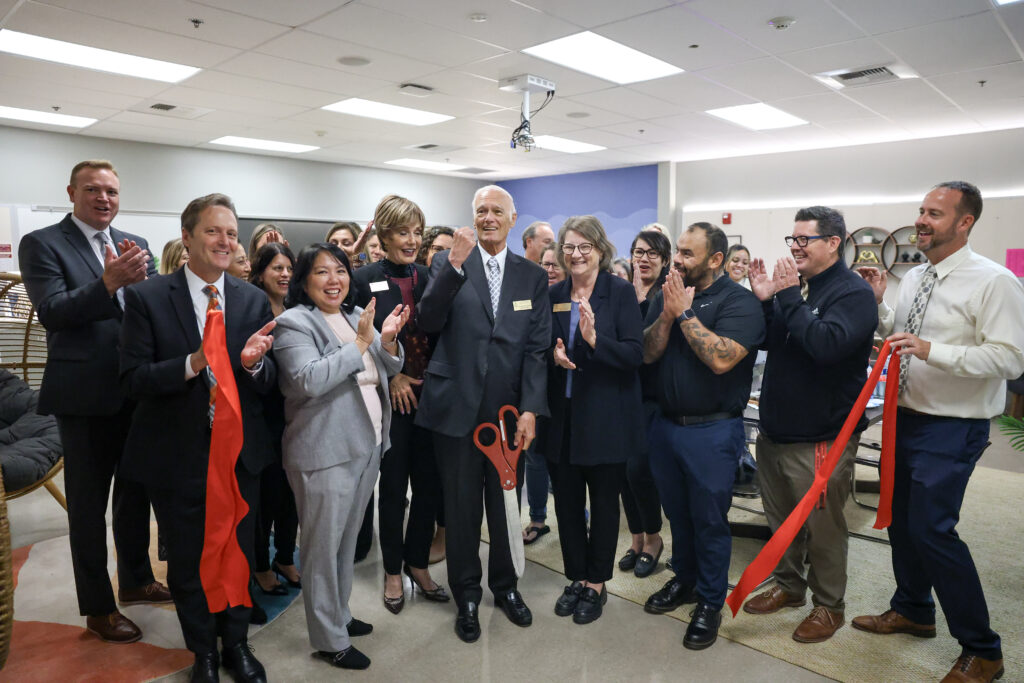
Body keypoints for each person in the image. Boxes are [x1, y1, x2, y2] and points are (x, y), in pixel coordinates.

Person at [854, 182, 1024, 683]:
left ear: (965, 222)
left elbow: (1012, 357)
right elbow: (900, 340)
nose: (922, 220)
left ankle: (983, 649)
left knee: (932, 529)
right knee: (902, 523)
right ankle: (913, 609)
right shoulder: (916, 277)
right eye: (921, 211)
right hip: (905, 418)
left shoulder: (994, 281)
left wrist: (934, 351)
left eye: (934, 213)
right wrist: (881, 306)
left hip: (953, 427)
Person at [120, 193, 278, 682]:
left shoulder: (250, 298)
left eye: (231, 233)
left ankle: (236, 644)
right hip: (177, 456)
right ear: (187, 236)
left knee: (239, 552)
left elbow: (266, 383)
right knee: (189, 558)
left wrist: (252, 366)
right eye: (213, 231)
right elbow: (132, 379)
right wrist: (193, 364)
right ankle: (203, 652)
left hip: (238, 455)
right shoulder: (148, 297)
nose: (225, 241)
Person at [18, 159, 169, 645]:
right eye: (93, 190)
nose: (104, 198)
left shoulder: (137, 245)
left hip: (135, 388)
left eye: (111, 191)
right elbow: (54, 313)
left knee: (135, 493)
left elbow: (148, 314)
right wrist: (108, 283)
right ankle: (99, 608)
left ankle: (137, 581)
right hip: (83, 397)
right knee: (87, 507)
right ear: (72, 192)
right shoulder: (43, 243)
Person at [415, 185, 550, 643]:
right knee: (462, 505)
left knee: (506, 506)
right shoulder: (447, 263)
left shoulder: (530, 276)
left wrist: (531, 409)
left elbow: (536, 350)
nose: (488, 218)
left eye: (497, 211)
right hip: (456, 409)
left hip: (509, 417)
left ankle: (506, 587)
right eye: (480, 211)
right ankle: (467, 595)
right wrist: (452, 265)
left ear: (513, 220)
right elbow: (428, 320)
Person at [741, 207, 877, 643]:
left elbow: (824, 345)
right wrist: (766, 301)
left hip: (821, 437)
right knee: (780, 520)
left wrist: (785, 299)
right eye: (793, 239)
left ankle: (829, 606)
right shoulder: (795, 289)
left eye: (805, 240)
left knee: (823, 529)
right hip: (777, 429)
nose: (795, 247)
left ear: (833, 243)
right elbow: (771, 340)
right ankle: (788, 586)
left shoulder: (851, 293)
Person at [275, 243, 408, 671]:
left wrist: (385, 342)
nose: (334, 280)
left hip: (366, 445)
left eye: (340, 270)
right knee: (321, 549)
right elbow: (309, 380)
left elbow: (382, 369)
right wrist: (363, 342)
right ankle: (329, 639)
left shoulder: (354, 316)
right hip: (323, 453)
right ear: (304, 280)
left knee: (346, 543)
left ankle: (341, 615)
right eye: (321, 272)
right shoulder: (292, 323)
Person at [641, 222, 765, 650]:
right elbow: (647, 353)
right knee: (678, 515)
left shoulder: (740, 302)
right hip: (666, 427)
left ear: (716, 260)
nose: (677, 260)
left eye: (688, 254)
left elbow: (721, 360)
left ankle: (711, 601)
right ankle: (686, 580)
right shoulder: (667, 295)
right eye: (677, 250)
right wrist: (667, 313)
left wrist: (685, 314)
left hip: (713, 430)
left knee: (710, 521)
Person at [353, 195, 448, 614]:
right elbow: (356, 339)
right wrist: (394, 374)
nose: (411, 240)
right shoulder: (363, 278)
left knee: (429, 488)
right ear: (383, 234)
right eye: (402, 232)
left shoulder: (430, 275)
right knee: (393, 489)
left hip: (433, 400)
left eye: (416, 232)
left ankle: (418, 563)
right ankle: (393, 571)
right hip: (391, 401)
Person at [546, 216, 643, 624]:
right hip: (561, 417)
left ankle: (597, 583)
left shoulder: (619, 293)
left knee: (603, 505)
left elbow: (633, 355)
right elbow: (536, 345)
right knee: (567, 504)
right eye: (569, 247)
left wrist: (594, 341)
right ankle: (576, 576)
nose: (576, 255)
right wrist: (551, 356)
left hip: (605, 417)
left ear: (601, 251)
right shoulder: (552, 292)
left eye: (584, 247)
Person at [247, 243, 301, 597]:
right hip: (262, 415)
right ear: (261, 271)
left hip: (293, 414)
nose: (283, 275)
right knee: (265, 497)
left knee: (291, 495)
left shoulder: (297, 309)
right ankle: (261, 565)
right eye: (276, 268)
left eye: (288, 268)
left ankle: (284, 555)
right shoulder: (251, 309)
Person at [619, 228, 671, 579]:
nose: (644, 258)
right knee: (622, 472)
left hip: (654, 397)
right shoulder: (621, 292)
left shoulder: (668, 295)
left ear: (665, 260)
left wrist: (639, 301)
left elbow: (647, 345)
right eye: (639, 252)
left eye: (653, 253)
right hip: (621, 395)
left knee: (640, 471)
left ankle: (654, 538)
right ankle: (636, 538)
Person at [415, 224, 454, 564]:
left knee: (445, 474)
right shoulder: (416, 284)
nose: (444, 256)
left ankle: (444, 533)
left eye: (452, 251)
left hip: (445, 391)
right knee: (423, 473)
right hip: (412, 388)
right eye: (439, 249)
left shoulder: (460, 287)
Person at [249, 243, 294, 318]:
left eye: (290, 269)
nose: (286, 274)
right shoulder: (251, 315)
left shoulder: (295, 314)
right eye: (278, 268)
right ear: (260, 274)